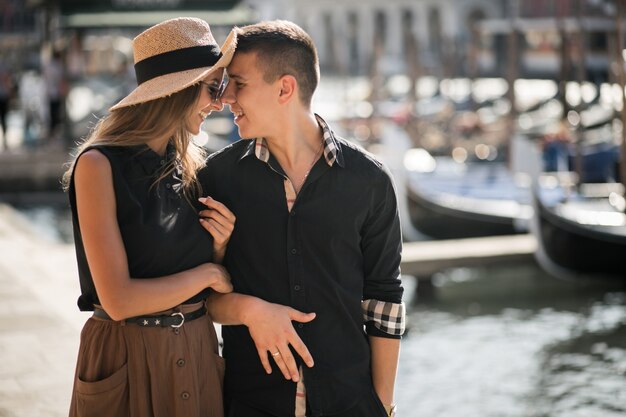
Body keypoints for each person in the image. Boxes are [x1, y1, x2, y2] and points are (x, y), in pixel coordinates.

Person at [202, 20, 405, 417]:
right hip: (250, 404)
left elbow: (384, 300)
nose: (226, 98)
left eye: (238, 84)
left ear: (285, 88)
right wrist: (250, 311)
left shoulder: (370, 181)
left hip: (349, 404)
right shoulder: (216, 179)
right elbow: (199, 297)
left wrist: (381, 406)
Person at [61, 17, 238, 417]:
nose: (219, 103)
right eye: (214, 88)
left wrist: (220, 247)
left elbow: (208, 283)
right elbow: (119, 300)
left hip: (195, 349)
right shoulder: (97, 165)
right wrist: (208, 274)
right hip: (125, 353)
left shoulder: (192, 167)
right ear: (178, 90)